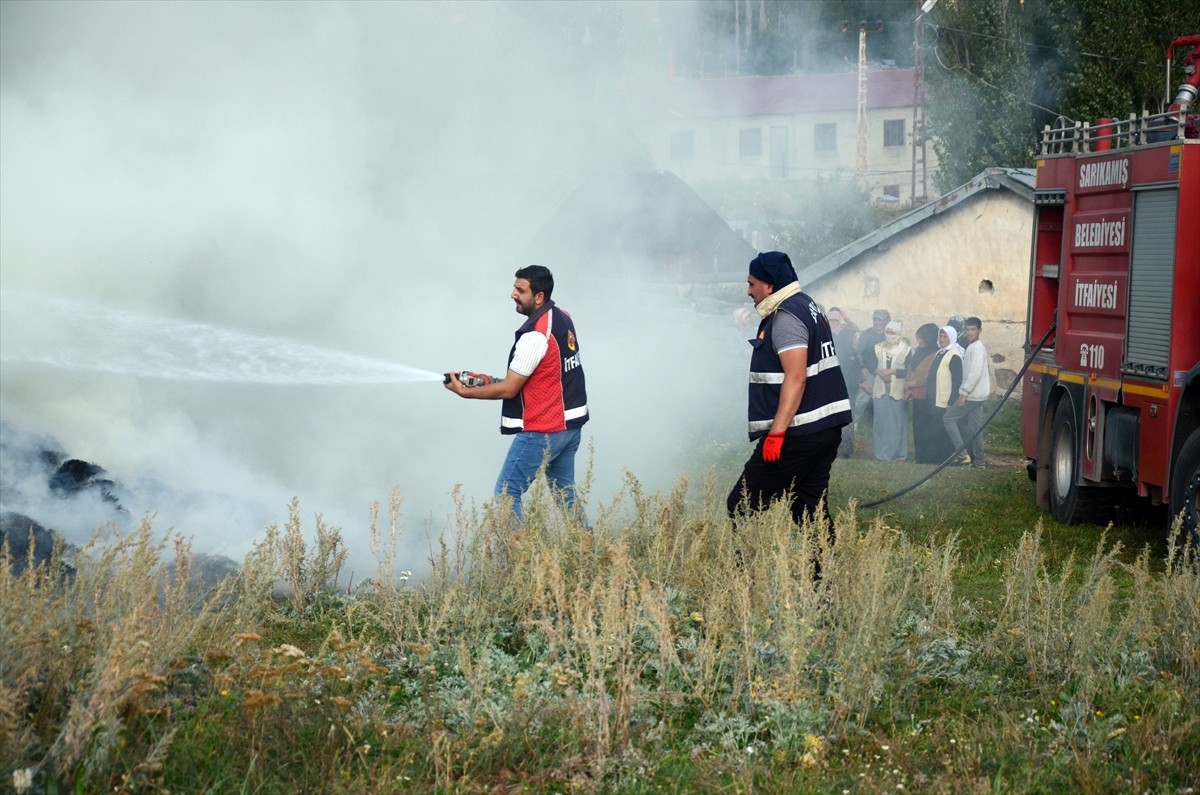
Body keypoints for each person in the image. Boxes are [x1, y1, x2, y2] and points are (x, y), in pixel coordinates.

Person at [726, 252, 853, 541]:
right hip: (825, 428)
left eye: (752, 283)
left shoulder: (785, 316)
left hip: (799, 433)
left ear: (769, 286)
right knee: (810, 512)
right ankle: (821, 583)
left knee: (741, 505)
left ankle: (745, 578)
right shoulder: (807, 305)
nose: (748, 291)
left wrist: (776, 434)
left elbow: (796, 377)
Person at [444, 265, 589, 517]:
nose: (513, 294)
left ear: (539, 296)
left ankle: (519, 555)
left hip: (543, 430)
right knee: (565, 493)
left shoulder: (535, 336)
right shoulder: (562, 317)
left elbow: (511, 389)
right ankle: (589, 550)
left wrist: (466, 393)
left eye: (520, 290)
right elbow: (541, 376)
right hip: (570, 428)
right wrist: (486, 380)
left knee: (506, 494)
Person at [943, 316, 990, 467]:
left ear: (980, 331)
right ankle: (979, 462)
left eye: (973, 329)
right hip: (978, 395)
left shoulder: (977, 348)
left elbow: (974, 374)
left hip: (972, 395)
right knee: (975, 429)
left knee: (948, 419)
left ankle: (963, 455)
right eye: (967, 329)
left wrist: (963, 395)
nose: (969, 332)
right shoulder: (972, 347)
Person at [870, 320, 911, 461]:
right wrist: (880, 372)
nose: (889, 335)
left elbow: (908, 371)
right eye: (887, 332)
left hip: (898, 389)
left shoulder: (906, 350)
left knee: (897, 422)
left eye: (892, 332)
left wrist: (892, 371)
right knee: (880, 423)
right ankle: (881, 455)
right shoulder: (877, 347)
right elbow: (870, 364)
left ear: (899, 333)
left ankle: (898, 455)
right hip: (880, 388)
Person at [903, 323, 944, 464]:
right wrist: (908, 387)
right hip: (916, 396)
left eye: (921, 337)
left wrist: (911, 384)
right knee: (918, 427)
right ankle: (920, 457)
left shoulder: (936, 354)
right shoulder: (918, 353)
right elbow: (910, 370)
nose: (919, 341)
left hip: (928, 397)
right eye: (918, 337)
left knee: (929, 428)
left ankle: (930, 458)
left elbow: (928, 376)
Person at [926, 326, 964, 464]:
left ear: (952, 338)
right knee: (936, 430)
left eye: (945, 337)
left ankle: (947, 459)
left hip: (945, 400)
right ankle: (937, 459)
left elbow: (957, 381)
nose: (942, 340)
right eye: (941, 337)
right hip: (935, 399)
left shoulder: (954, 355)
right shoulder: (940, 353)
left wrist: (951, 402)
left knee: (944, 432)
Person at [827, 306, 860, 458]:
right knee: (830, 415)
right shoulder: (825, 333)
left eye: (835, 319)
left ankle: (845, 450)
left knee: (847, 415)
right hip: (830, 380)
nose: (833, 322)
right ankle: (831, 448)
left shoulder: (849, 332)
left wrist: (847, 319)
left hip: (848, 381)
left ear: (840, 319)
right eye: (830, 319)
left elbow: (858, 331)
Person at [856, 308, 890, 417]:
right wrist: (862, 367)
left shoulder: (891, 335)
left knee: (884, 398)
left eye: (881, 320)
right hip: (869, 371)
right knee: (863, 399)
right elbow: (859, 352)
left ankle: (882, 420)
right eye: (876, 319)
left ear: (887, 321)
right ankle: (855, 421)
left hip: (886, 373)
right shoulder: (867, 334)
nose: (878, 323)